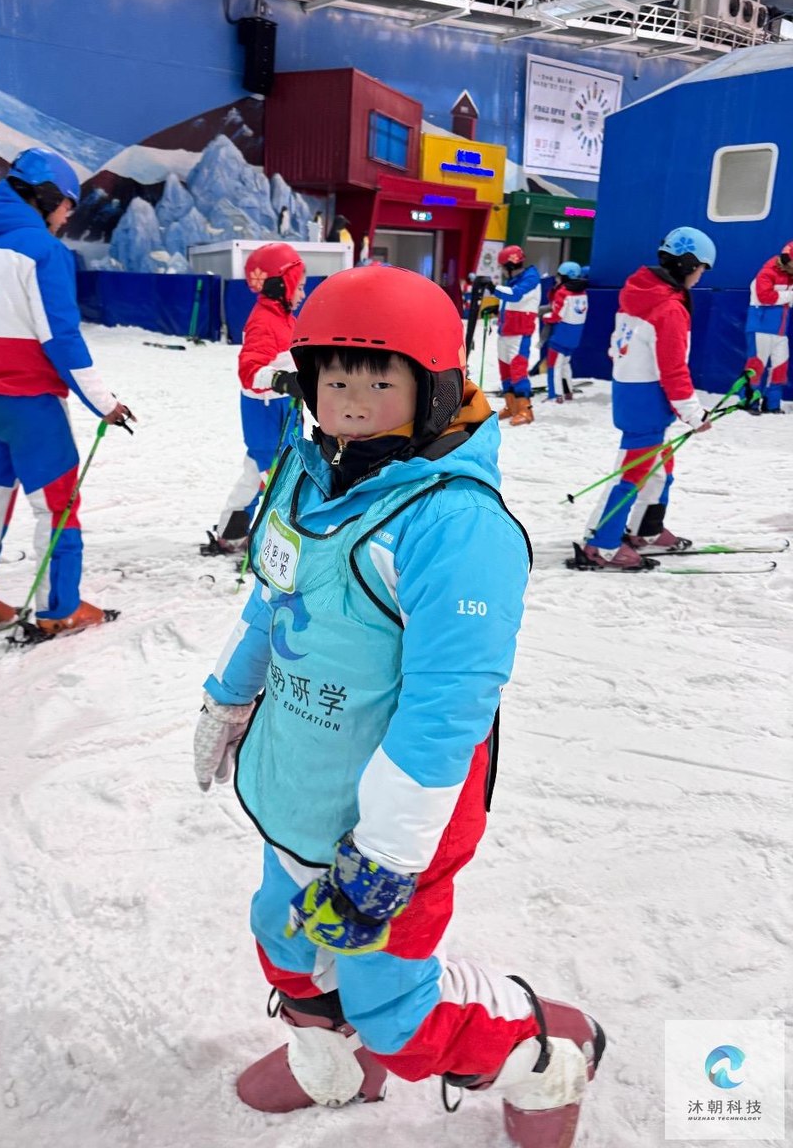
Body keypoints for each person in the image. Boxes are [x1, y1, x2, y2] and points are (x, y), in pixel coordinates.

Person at [193, 265, 605, 1146]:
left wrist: (383, 857)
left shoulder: (456, 524)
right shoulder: (307, 475)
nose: (352, 403)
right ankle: (337, 1058)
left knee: (396, 1008)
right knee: (285, 938)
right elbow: (274, 595)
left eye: (379, 383)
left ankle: (545, 1057)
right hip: (305, 779)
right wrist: (227, 698)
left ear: (433, 389)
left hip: (401, 817)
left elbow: (446, 708)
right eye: (334, 380)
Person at [0, 148, 133, 641]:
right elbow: (61, 338)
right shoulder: (43, 252)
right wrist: (104, 403)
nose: (66, 218)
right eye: (66, 205)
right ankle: (59, 609)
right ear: (43, 196)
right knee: (57, 506)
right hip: (31, 405)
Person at [580, 227, 716, 571]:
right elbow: (673, 369)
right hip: (646, 402)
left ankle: (646, 529)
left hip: (639, 396)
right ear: (688, 264)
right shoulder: (668, 307)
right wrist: (693, 414)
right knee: (631, 474)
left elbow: (617, 347)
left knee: (659, 469)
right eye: (701, 269)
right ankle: (601, 544)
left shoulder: (642, 293)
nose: (700, 277)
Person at [205, 243, 306, 554]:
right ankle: (269, 540)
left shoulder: (284, 317)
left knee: (263, 475)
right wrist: (281, 380)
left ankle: (232, 532)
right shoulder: (264, 321)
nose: (302, 294)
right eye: (299, 286)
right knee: (275, 478)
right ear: (281, 284)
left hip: (282, 409)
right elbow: (249, 372)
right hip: (265, 413)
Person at [494, 244, 541, 426]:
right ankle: (511, 406)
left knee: (518, 371)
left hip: (519, 334)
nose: (502, 271)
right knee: (505, 371)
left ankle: (525, 410)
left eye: (503, 267)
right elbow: (510, 302)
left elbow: (515, 296)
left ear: (510, 265)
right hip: (506, 332)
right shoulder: (514, 280)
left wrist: (492, 287)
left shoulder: (530, 279)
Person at [743, 241, 791, 414]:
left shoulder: (790, 275)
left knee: (780, 369)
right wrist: (790, 296)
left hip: (780, 331)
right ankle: (750, 402)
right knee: (755, 367)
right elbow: (765, 297)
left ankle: (772, 405)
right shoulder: (766, 273)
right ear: (787, 260)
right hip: (760, 328)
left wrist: (786, 297)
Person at [543, 261, 589, 403]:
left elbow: (557, 316)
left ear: (564, 276)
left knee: (554, 366)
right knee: (565, 364)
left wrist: (545, 317)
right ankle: (568, 392)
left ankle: (555, 396)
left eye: (558, 275)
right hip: (575, 336)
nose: (556, 278)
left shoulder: (563, 293)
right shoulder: (583, 292)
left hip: (561, 336)